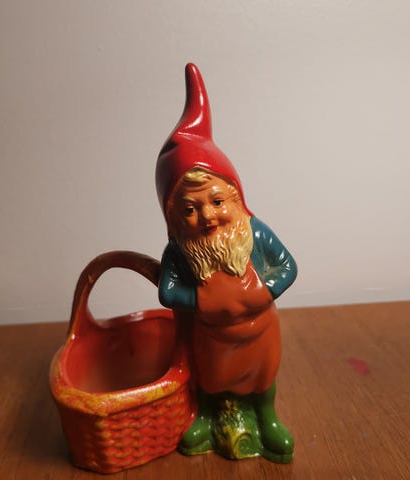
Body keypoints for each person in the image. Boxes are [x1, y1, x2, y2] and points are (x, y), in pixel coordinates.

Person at [155, 64, 297, 463]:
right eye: (190, 209)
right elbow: (167, 291)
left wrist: (265, 289)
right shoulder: (181, 250)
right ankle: (205, 413)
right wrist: (200, 301)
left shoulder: (255, 234)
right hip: (213, 337)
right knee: (212, 376)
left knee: (263, 375)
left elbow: (288, 265)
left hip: (260, 330)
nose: (207, 216)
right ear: (174, 216)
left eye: (217, 202)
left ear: (235, 196)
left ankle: (267, 416)